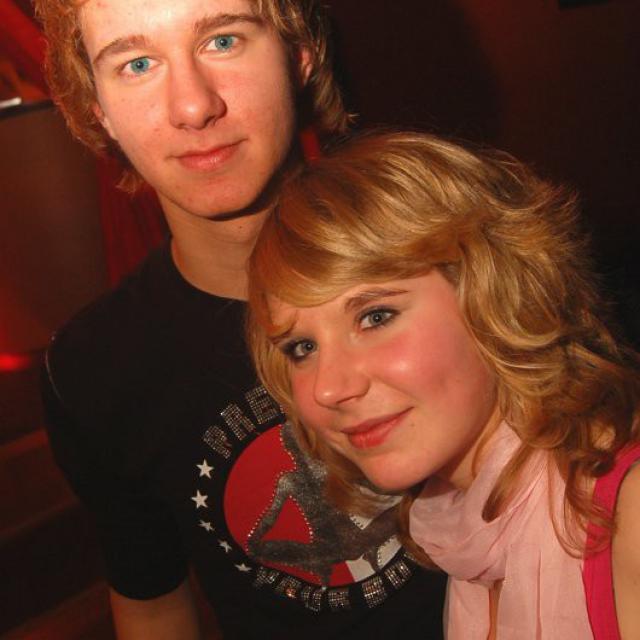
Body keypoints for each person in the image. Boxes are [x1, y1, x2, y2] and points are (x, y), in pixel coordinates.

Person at [35, 1, 447, 638]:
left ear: (299, 55)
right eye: (137, 63)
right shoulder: (90, 367)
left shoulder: (444, 253)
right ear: (99, 110)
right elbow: (152, 601)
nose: (193, 106)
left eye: (223, 40)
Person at [247, 131, 640, 639]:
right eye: (302, 348)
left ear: (491, 293)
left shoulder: (628, 517)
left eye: (375, 316)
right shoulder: (463, 532)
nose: (329, 388)